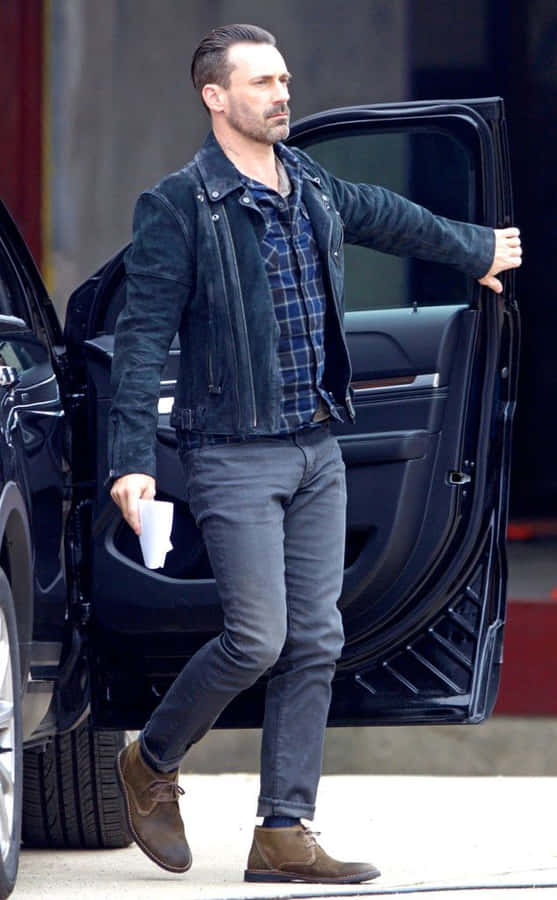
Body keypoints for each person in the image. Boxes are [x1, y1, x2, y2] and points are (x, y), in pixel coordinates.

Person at [109, 24, 522, 884]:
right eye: (262, 81)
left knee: (316, 641)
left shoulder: (310, 183)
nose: (282, 92)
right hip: (231, 452)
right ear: (215, 97)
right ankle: (150, 760)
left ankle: (283, 831)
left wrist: (474, 247)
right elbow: (142, 334)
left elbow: (387, 215)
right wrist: (131, 456)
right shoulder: (179, 206)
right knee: (258, 637)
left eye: (285, 78)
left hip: (317, 448)